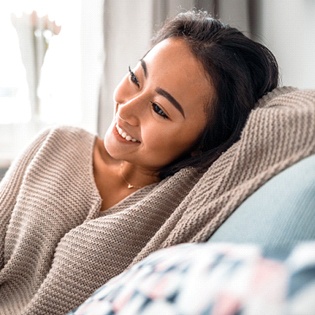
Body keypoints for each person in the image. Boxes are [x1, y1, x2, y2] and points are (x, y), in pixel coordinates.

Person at [0, 10, 279, 315]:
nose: (126, 109)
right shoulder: (55, 144)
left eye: (160, 110)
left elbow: (303, 119)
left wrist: (254, 106)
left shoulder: (188, 203)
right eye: (136, 78)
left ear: (203, 144)